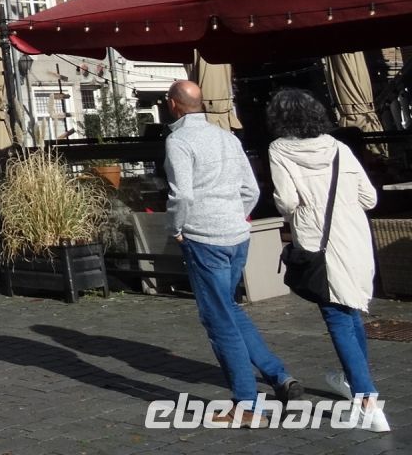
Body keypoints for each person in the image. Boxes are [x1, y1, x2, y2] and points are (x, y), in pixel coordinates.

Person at [165, 78, 298, 423]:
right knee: (231, 309)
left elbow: (182, 195)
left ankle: (247, 404)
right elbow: (250, 188)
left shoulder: (179, 140)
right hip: (237, 234)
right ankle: (278, 375)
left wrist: (176, 228)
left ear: (173, 104)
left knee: (219, 320)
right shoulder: (227, 137)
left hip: (204, 237)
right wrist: (236, 215)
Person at [267, 88, 389, 432]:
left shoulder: (279, 149)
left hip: (316, 241)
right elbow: (370, 198)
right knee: (350, 311)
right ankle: (355, 383)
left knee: (336, 317)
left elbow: (287, 202)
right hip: (353, 238)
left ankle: (367, 401)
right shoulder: (340, 148)